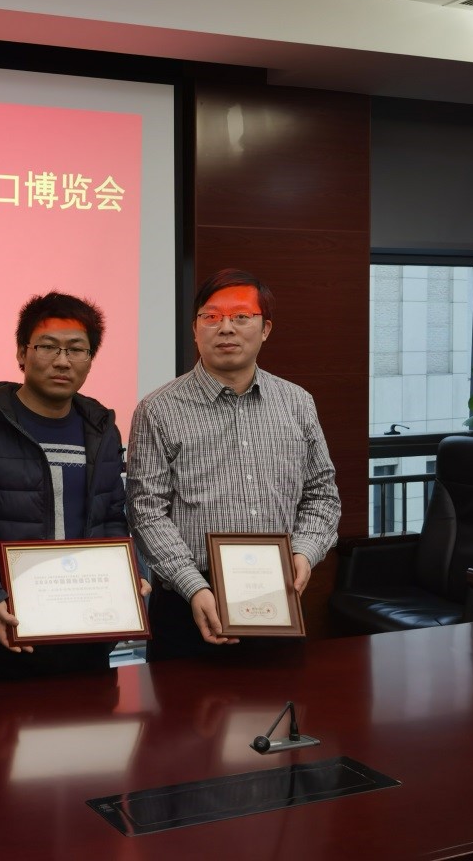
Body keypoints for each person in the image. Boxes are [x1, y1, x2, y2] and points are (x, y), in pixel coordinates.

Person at [126, 268, 341, 661]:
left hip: (277, 596)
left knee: (279, 698)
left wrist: (304, 553)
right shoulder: (157, 409)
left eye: (241, 316)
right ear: (195, 329)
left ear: (265, 328)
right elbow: (146, 510)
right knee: (182, 703)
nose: (225, 328)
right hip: (188, 602)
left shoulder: (297, 402)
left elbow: (321, 495)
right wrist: (193, 586)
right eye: (211, 316)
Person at [0, 291, 140, 683]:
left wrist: (124, 578)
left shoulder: (102, 429)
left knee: (94, 721)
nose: (63, 361)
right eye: (48, 347)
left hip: (88, 633)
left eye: (76, 349)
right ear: (22, 352)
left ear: (90, 358)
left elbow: (112, 516)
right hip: (8, 629)